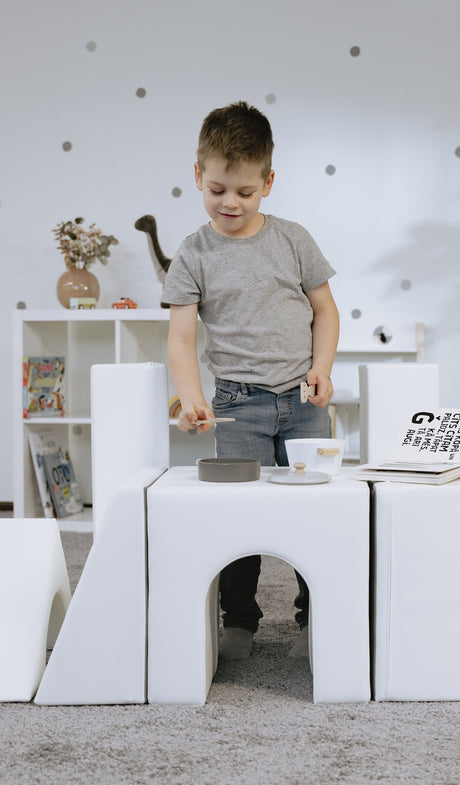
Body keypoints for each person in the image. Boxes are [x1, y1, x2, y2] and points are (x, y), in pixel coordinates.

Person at [161, 101, 340, 659]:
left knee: (317, 516)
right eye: (217, 190)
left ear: (268, 181)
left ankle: (316, 619)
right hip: (237, 403)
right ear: (197, 176)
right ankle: (239, 620)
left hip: (303, 401)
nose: (230, 203)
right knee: (237, 519)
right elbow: (182, 336)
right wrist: (192, 395)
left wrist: (323, 367)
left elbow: (326, 311)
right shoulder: (193, 253)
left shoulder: (293, 240)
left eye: (244, 191)